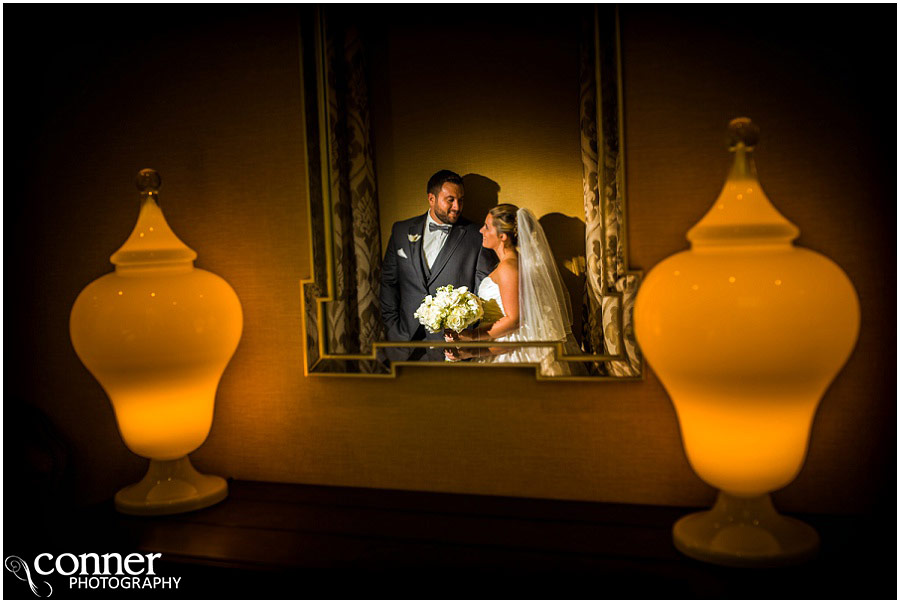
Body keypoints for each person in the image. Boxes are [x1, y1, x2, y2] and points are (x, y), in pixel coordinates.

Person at [444, 203, 586, 376]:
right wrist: (472, 350)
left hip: (513, 357)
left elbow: (514, 322)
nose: (481, 230)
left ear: (502, 236)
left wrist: (472, 336)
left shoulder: (509, 268)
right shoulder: (512, 264)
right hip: (503, 347)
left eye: (487, 227)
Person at [380, 169, 496, 361]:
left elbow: (483, 291)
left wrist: (465, 337)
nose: (457, 207)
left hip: (451, 349)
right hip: (403, 345)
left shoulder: (477, 236)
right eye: (450, 199)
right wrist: (392, 327)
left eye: (461, 200)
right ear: (431, 199)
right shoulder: (401, 230)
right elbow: (388, 283)